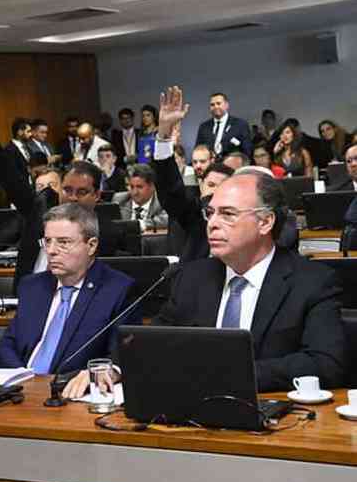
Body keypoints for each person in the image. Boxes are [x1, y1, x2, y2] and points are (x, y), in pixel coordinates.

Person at [65, 168, 347, 396]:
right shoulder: (193, 278)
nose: (212, 223)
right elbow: (151, 342)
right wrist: (116, 366)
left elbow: (326, 363)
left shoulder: (311, 281)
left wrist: (228, 374)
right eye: (210, 213)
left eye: (228, 214)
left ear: (265, 222)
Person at [0, 83, 121, 293]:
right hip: (26, 301)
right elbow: (6, 173)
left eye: (82, 192)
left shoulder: (107, 233)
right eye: (67, 190)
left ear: (97, 195)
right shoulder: (41, 206)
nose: (72, 198)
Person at [152, 86, 296, 262]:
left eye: (222, 187)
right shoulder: (199, 215)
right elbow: (171, 190)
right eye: (211, 186)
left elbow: (283, 237)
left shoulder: (265, 219)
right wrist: (164, 135)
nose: (216, 194)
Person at [0, 203, 137, 374]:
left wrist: (99, 374)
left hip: (71, 390)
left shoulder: (118, 290)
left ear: (91, 246)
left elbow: (120, 356)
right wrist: (21, 377)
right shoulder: (31, 286)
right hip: (22, 386)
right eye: (47, 241)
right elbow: (7, 345)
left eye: (63, 242)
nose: (52, 251)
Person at [194, 92, 253, 159]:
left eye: (218, 103)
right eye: (212, 105)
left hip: (233, 167)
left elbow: (247, 151)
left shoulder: (240, 124)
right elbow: (198, 150)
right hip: (210, 167)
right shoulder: (204, 127)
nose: (215, 107)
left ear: (226, 105)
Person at [113, 164, 168, 232]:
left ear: (152, 186)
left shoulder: (162, 201)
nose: (135, 192)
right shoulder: (119, 200)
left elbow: (167, 220)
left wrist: (141, 224)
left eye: (139, 187)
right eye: (132, 187)